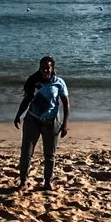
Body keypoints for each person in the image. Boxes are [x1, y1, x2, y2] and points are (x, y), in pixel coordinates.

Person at [14, 55, 69, 191]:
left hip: (52, 122)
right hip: (32, 120)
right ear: (39, 68)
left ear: (52, 69)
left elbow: (66, 104)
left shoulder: (59, 83)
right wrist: (18, 115)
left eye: (47, 68)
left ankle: (47, 182)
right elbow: (26, 100)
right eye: (43, 68)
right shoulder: (33, 81)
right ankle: (23, 181)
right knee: (26, 152)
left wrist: (65, 124)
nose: (45, 71)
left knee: (49, 154)